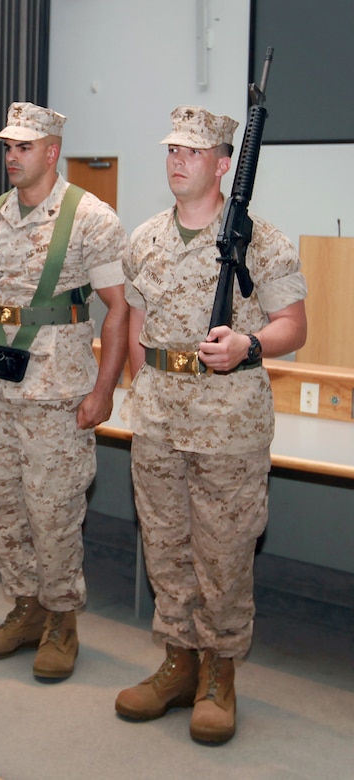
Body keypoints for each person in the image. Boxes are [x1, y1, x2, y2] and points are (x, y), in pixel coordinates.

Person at [114, 106, 307, 743]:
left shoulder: (262, 239)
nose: (176, 161)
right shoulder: (143, 238)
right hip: (160, 418)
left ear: (224, 164)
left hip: (229, 423)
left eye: (192, 152)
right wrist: (141, 382)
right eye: (172, 149)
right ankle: (177, 662)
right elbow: (135, 318)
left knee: (222, 554)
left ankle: (219, 672)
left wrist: (249, 344)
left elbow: (294, 326)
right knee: (165, 547)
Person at [0, 102, 129, 680]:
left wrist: (105, 388)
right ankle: (26, 606)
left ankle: (62, 619)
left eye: (24, 147)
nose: (12, 157)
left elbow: (118, 309)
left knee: (52, 510)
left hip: (59, 393)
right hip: (1, 385)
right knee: (0, 505)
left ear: (52, 151)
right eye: (8, 147)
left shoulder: (91, 219)